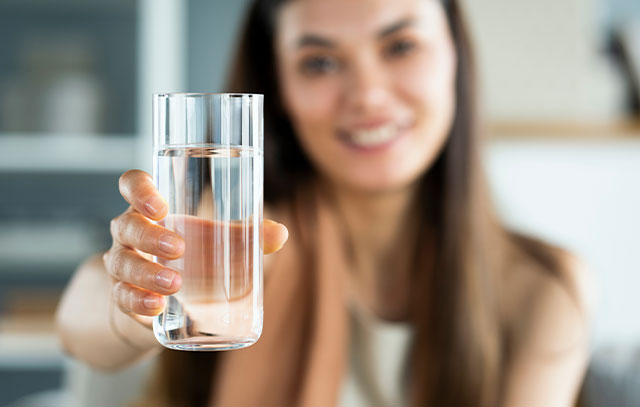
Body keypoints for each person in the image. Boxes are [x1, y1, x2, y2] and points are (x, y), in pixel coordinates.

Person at [56, 0, 593, 405]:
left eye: (400, 47)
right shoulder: (232, 246)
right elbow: (81, 317)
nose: (368, 95)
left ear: (455, 54)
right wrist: (129, 310)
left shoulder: (541, 287)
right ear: (280, 89)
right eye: (319, 63)